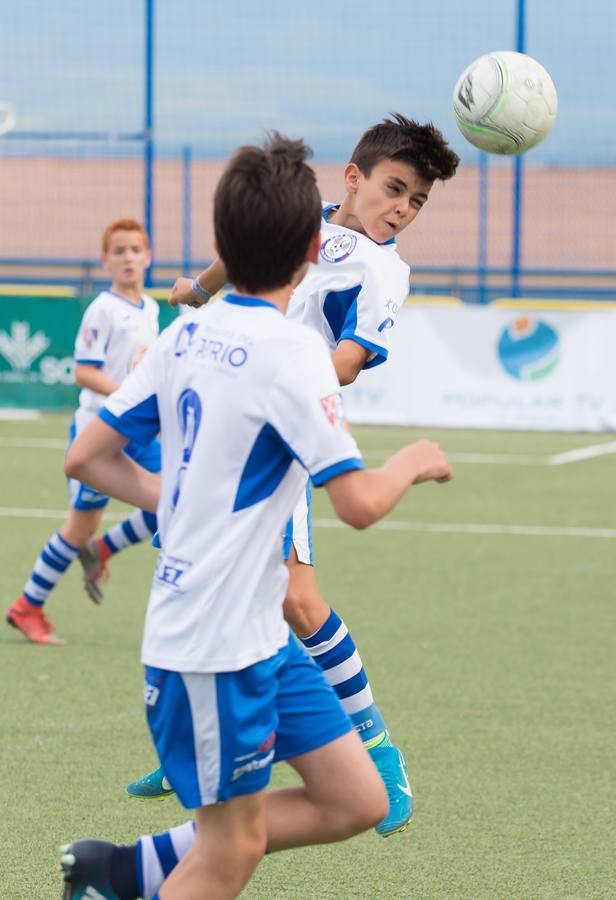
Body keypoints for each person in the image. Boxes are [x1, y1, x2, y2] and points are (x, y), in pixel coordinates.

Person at [60, 134, 453, 900]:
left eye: (416, 200)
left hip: (252, 637)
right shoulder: (287, 355)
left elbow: (85, 458)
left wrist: (174, 490)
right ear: (318, 228)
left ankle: (123, 863)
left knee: (358, 799)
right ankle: (164, 831)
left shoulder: (190, 338)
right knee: (231, 852)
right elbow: (362, 505)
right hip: (212, 643)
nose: (403, 209)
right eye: (396, 189)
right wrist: (413, 459)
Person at [5, 219, 161, 644]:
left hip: (138, 432)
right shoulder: (102, 309)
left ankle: (104, 549)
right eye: (119, 251)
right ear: (105, 260)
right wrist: (131, 396)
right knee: (79, 527)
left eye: (135, 250)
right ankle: (27, 607)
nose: (128, 258)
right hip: (101, 433)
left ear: (149, 257)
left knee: (172, 499)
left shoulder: (150, 308)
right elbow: (84, 372)